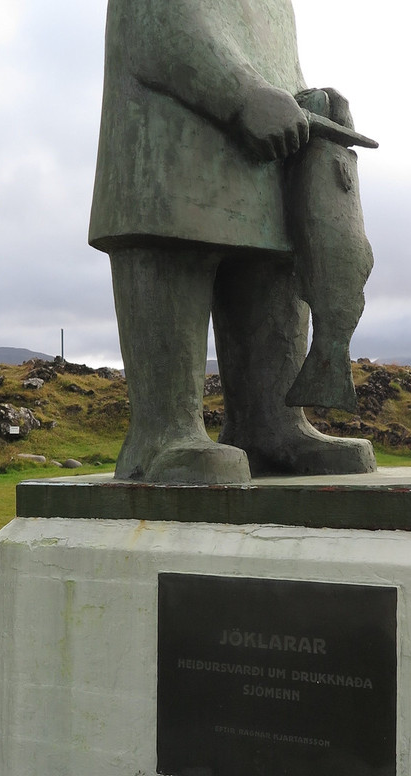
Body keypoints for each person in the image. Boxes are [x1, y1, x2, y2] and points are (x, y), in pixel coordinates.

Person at [89, 0, 376, 484]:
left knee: (273, 276)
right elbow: (160, 33)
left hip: (269, 171)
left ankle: (270, 423)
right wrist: (242, 95)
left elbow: (273, 64)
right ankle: (164, 432)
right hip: (170, 154)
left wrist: (312, 102)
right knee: (173, 257)